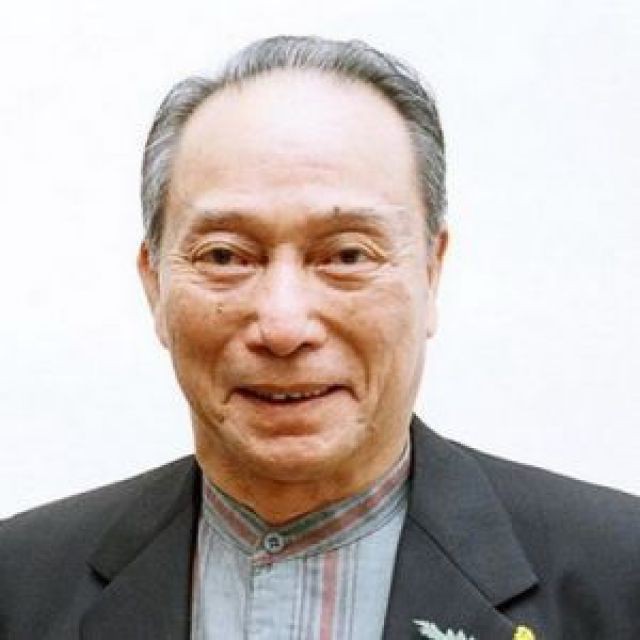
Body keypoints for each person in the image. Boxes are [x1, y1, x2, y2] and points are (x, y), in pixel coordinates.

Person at [1, 35, 639, 640]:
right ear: (154, 284)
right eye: (225, 256)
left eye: (347, 255)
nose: (283, 326)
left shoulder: (620, 578)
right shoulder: (19, 585)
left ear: (430, 271)